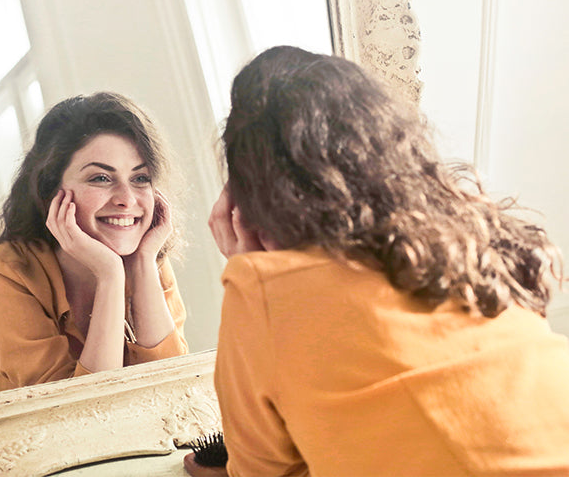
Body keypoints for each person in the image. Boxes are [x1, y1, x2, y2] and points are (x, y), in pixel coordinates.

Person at [204, 46, 569, 476]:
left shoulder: (264, 290)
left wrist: (248, 270)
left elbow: (263, 473)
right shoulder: (473, 233)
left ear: (248, 205)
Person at [0, 92, 188, 396]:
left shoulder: (147, 259)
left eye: (140, 178)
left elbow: (173, 392)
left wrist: (143, 265)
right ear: (50, 189)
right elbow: (75, 412)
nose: (127, 199)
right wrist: (109, 276)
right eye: (100, 178)